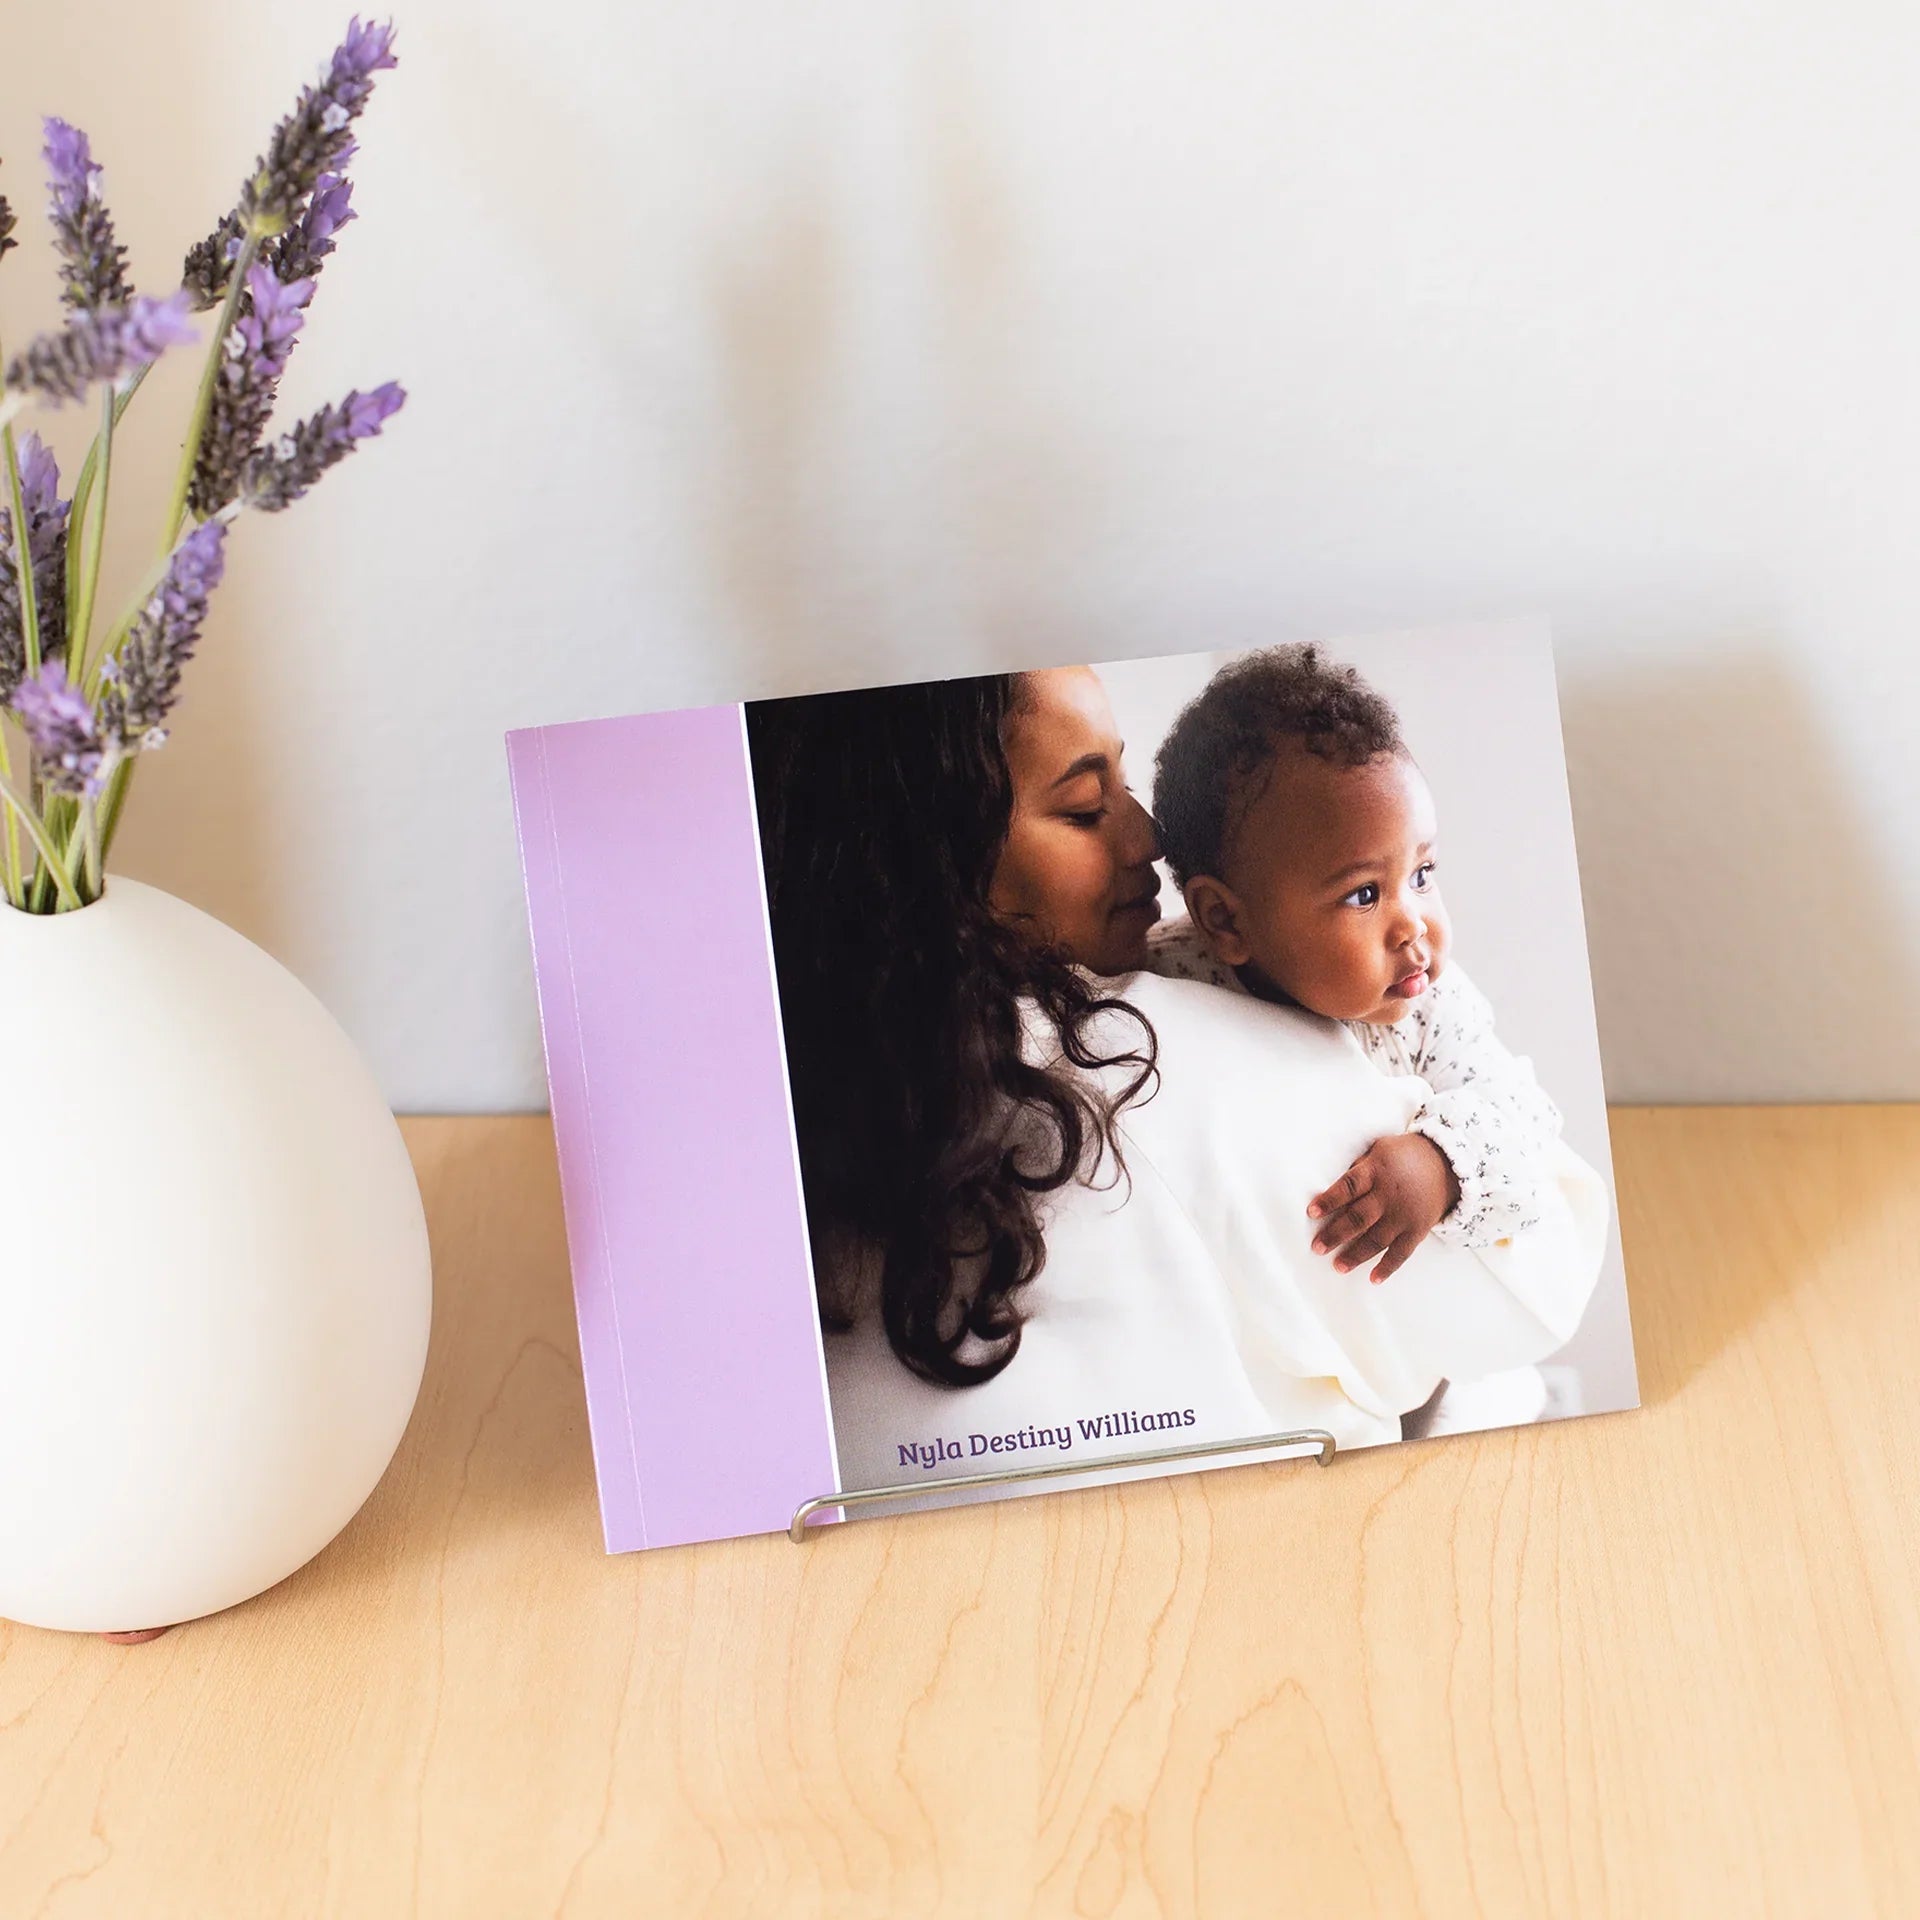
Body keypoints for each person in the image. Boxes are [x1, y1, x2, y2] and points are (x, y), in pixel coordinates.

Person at [745, 665, 1608, 1498]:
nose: (1145, 835)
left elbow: (1510, 1113)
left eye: (1422, 874)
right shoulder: (1147, 1058)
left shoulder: (804, 1095)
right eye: (1085, 808)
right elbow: (1539, 1278)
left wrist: (1447, 1156)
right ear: (930, 861)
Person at [1149, 643, 1565, 1284]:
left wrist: (1439, 1164)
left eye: (1422, 873)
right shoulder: (1172, 978)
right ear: (1228, 921)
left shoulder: (1432, 1007)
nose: (1414, 924)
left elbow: (1529, 1126)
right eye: (1365, 894)